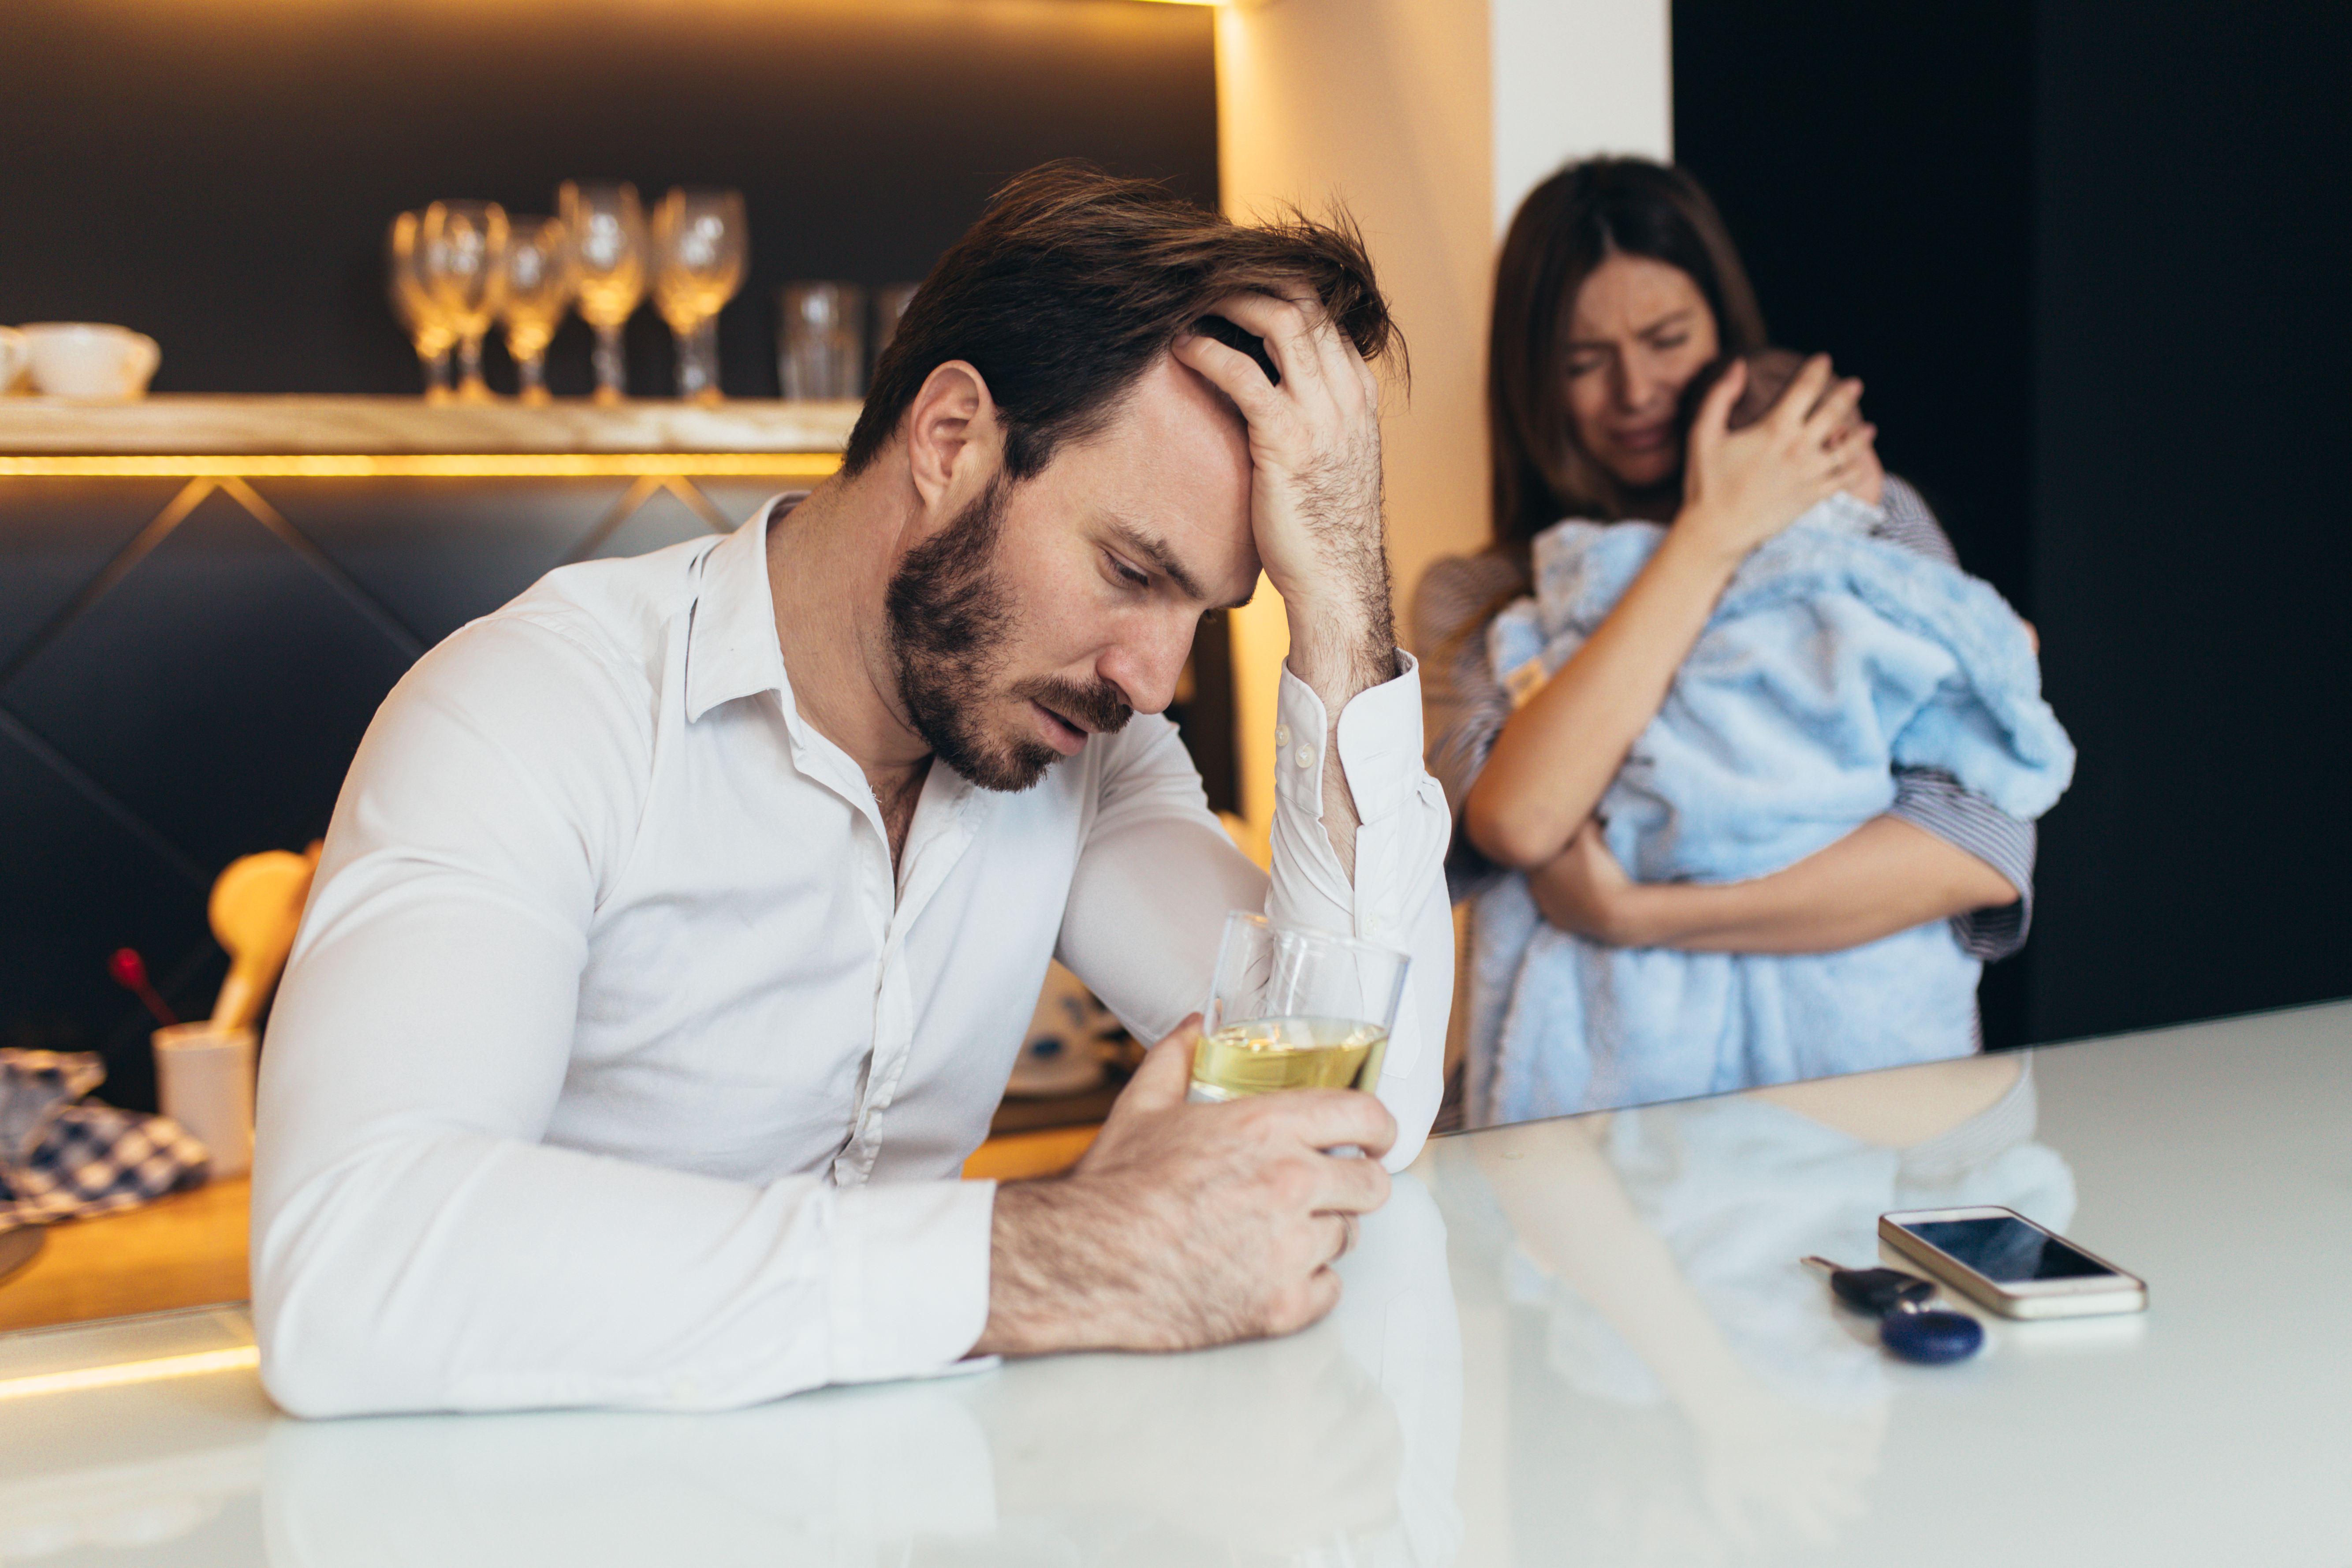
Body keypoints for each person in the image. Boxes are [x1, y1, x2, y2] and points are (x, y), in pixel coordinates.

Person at [252, 164, 1456, 1418]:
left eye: (1205, 609)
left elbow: (1361, 1107)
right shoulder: (532, 710)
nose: (1154, 681)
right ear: (950, 439)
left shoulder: (1085, 747)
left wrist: (1344, 595)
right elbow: (348, 1263)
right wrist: (1061, 1254)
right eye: (1129, 569)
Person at [1414, 157, 2043, 1126]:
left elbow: (1972, 849)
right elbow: (1521, 821)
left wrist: (1639, 917)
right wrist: (1709, 536)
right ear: (1531, 376)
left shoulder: (1872, 524)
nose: (1636, 390)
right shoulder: (1479, 598)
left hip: (1856, 1120)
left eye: (1667, 340)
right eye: (1584, 362)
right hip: (1579, 1158)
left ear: (1723, 328)